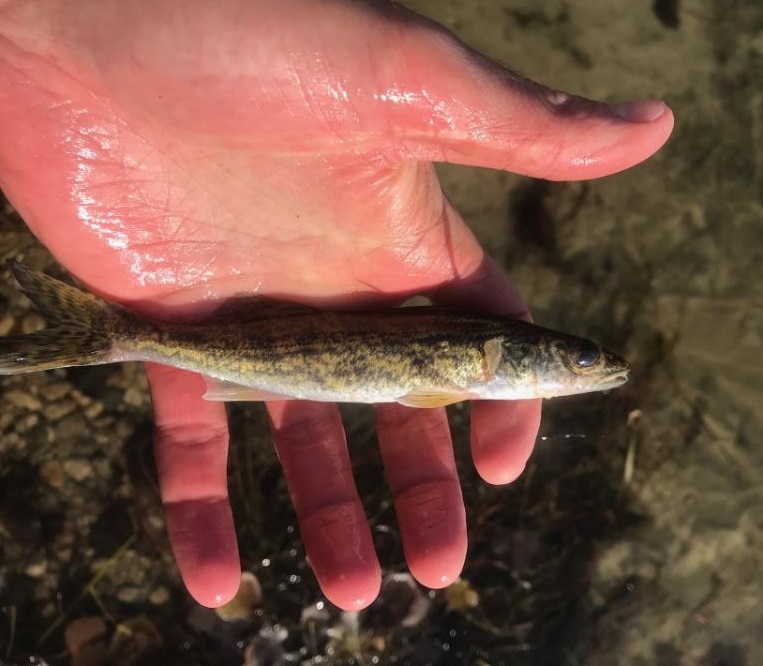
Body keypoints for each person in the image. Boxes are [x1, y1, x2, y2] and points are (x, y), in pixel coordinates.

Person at [0, 0, 673, 610]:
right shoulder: (474, 355)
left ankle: (108, 333)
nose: (592, 367)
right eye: (578, 360)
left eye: (583, 359)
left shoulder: (475, 357)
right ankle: (110, 334)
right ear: (506, 355)